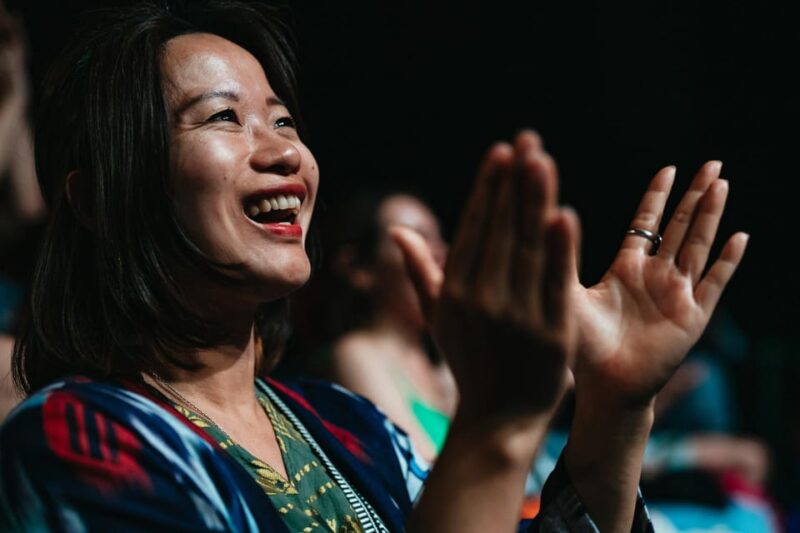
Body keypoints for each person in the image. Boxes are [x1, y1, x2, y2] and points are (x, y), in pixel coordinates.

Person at [0, 1, 748, 531]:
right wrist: (492, 423)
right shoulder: (75, 439)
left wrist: (615, 406)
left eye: (284, 119)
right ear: (102, 198)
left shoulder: (345, 425)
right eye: (223, 117)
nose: (285, 153)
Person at [305, 189, 456, 462]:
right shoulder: (355, 353)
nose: (440, 254)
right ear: (360, 270)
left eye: (439, 239)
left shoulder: (443, 362)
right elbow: (422, 477)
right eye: (417, 238)